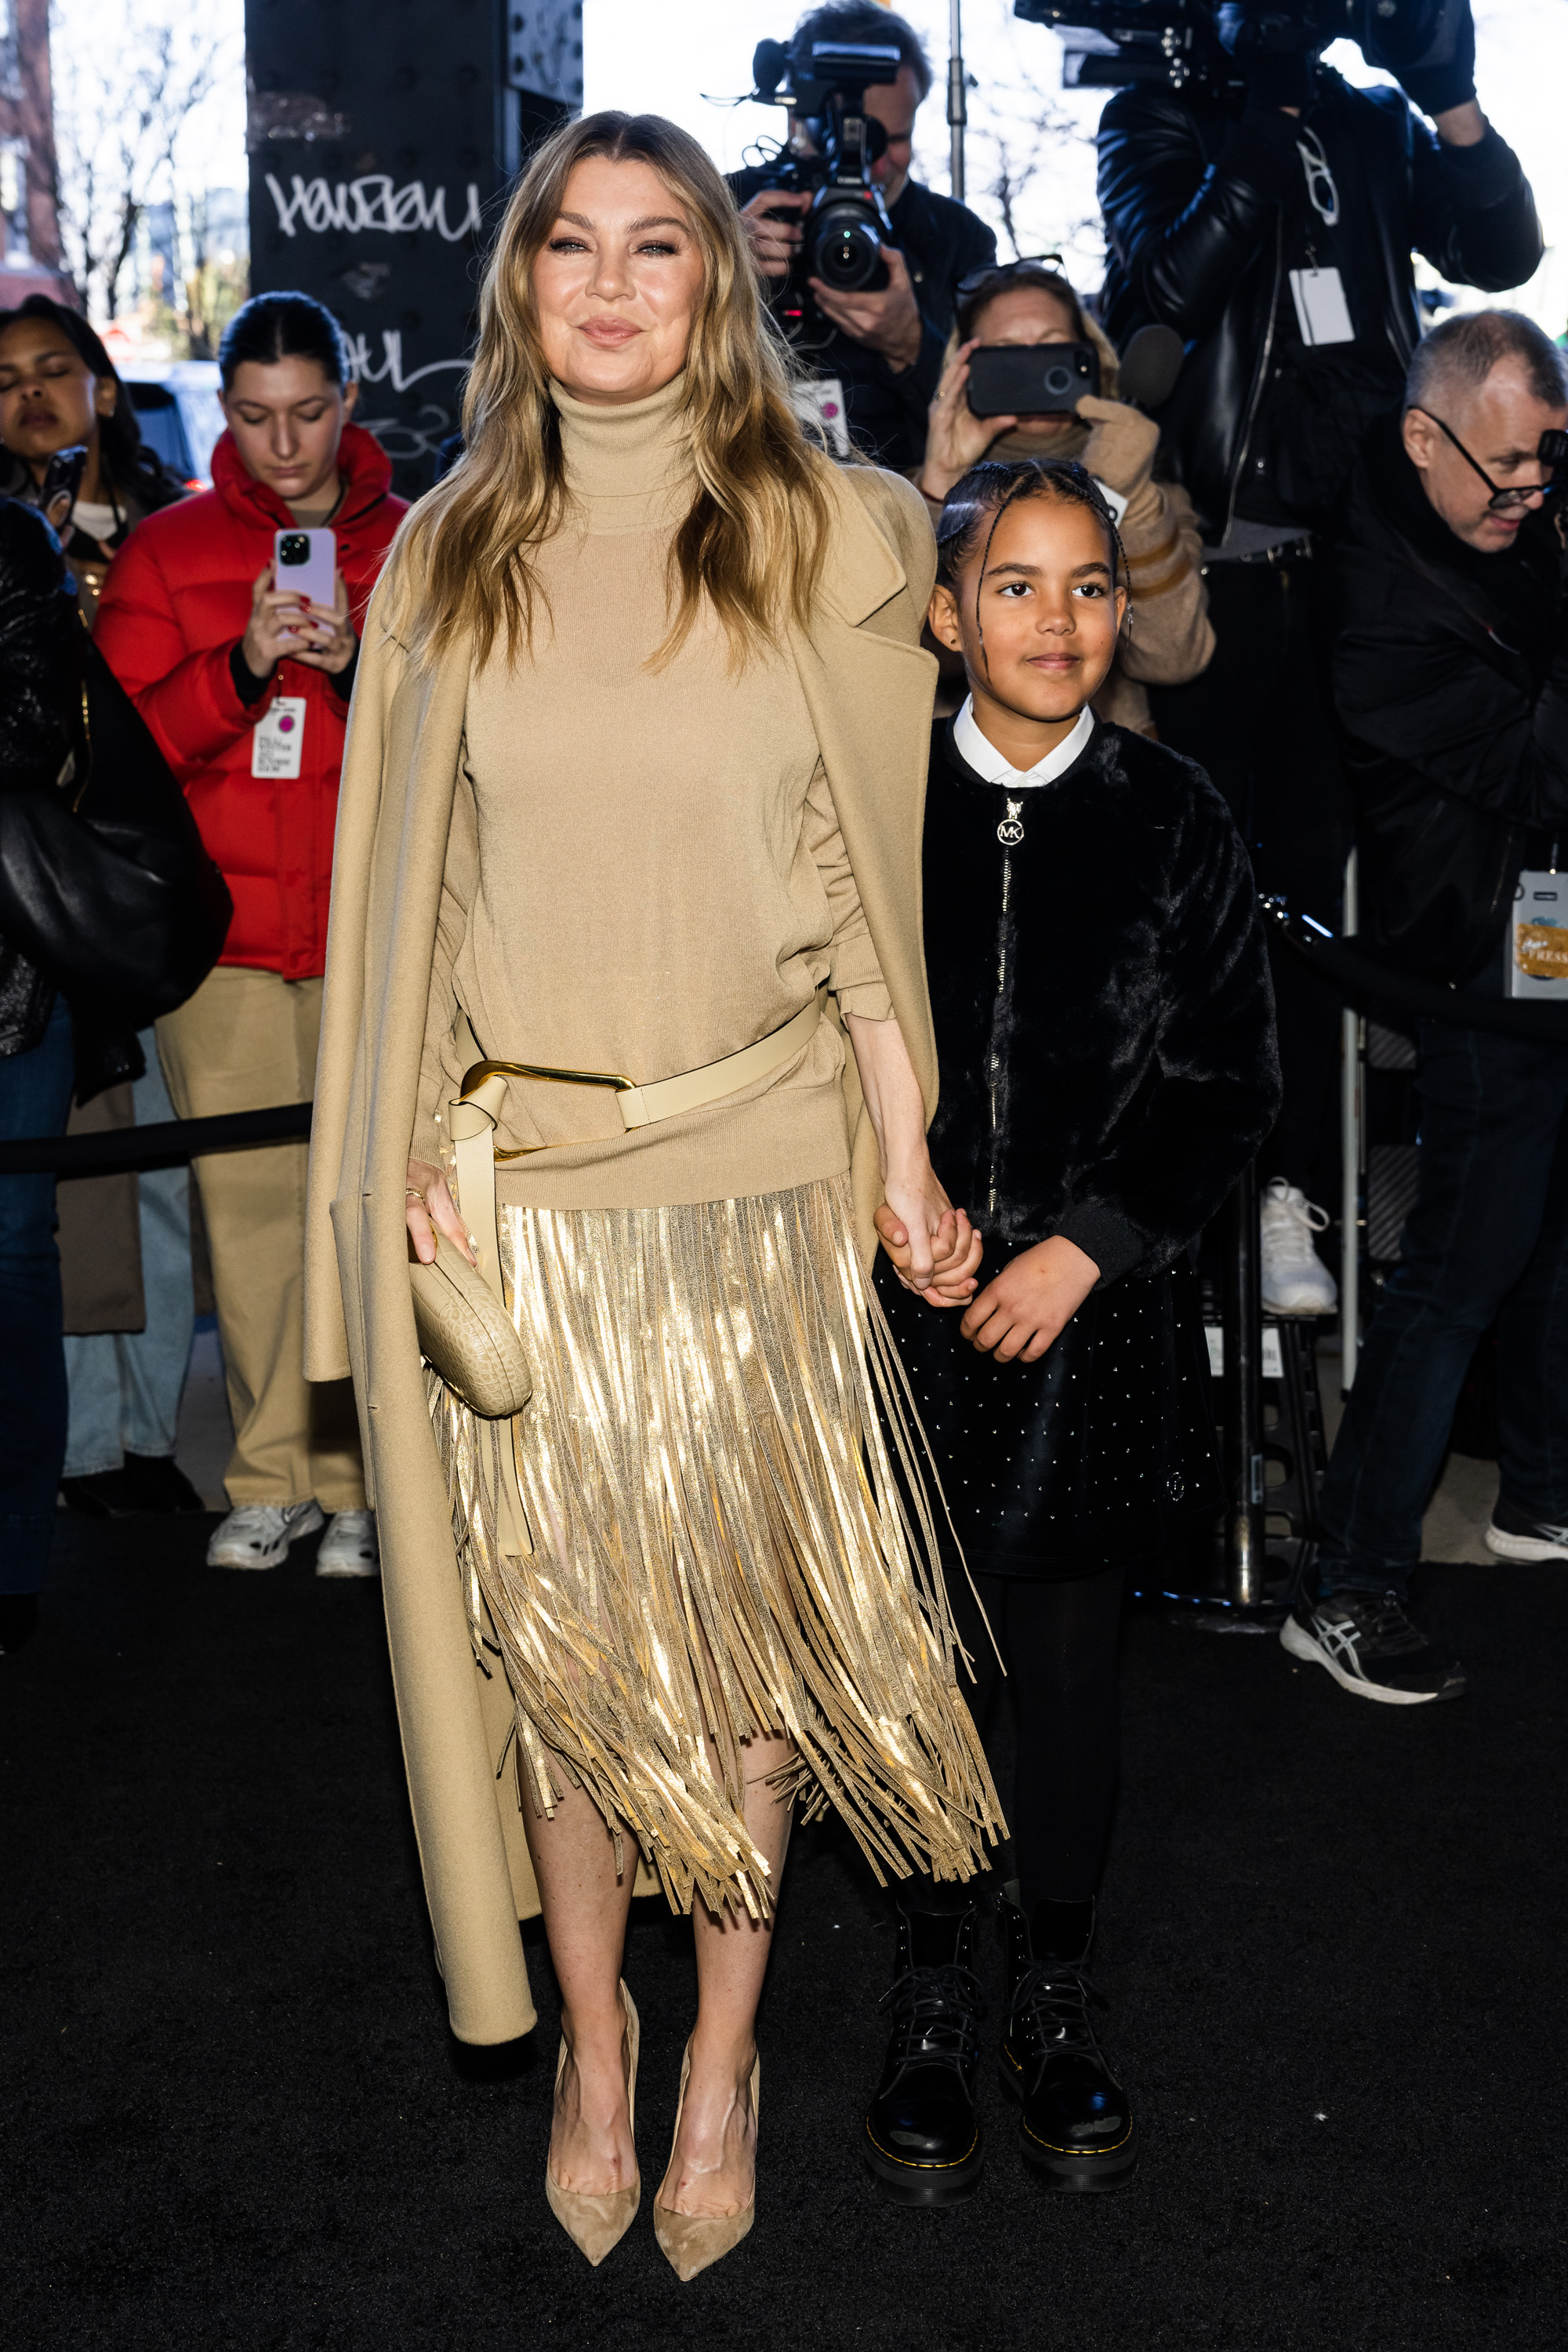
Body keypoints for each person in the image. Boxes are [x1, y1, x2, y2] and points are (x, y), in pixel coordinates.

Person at [303, 111, 1001, 2279]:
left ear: (720, 283)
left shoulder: (824, 531)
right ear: (520, 286)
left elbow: (857, 891)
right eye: (571, 250)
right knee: (571, 1679)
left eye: (660, 249)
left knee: (746, 1683)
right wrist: (413, 1157)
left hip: (764, 1185)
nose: (610, 288)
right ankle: (595, 2046)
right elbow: (407, 909)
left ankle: (722, 2063)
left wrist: (905, 1155)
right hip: (529, 1207)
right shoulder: (447, 551)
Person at [858, 456, 1278, 2202]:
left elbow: (1225, 1086)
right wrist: (887, 1210)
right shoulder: (879, 805)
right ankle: (930, 1985)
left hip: (1087, 1323)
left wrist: (1088, 1249)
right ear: (947, 615)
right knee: (912, 1663)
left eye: (1089, 586)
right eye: (1014, 587)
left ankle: (1053, 1977)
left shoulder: (1176, 816)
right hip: (893, 1297)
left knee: (1072, 1664)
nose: (1055, 620)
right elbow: (819, 1031)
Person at [1098, 0, 1542, 1315]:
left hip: (1356, 568)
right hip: (1222, 578)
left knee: (1319, 894)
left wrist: (1446, 92)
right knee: (1210, 902)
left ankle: (1294, 1190)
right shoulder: (1158, 117)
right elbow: (1162, 296)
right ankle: (1199, 1200)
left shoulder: (1370, 120)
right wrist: (1259, 117)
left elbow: (1505, 250)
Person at [95, 292, 406, 1578]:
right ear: (225, 410)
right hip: (225, 939)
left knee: (370, 1215)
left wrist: (352, 666)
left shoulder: (425, 541)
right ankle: (275, 1476)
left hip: (378, 929)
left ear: (350, 400)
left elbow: (472, 729)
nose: (286, 445)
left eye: (310, 413)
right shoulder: (169, 552)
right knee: (254, 1220)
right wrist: (237, 672)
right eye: (258, 417)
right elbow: (118, 753)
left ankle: (368, 1484)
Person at [1283, 309, 1568, 1707]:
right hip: (1469, 964)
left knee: (1552, 1235)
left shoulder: (1521, 536)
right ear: (1422, 435)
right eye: (1505, 469)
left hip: (1547, 950)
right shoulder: (1377, 596)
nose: (1528, 494)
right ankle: (1349, 1583)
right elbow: (1538, 773)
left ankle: (1540, 1495)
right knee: (1456, 1269)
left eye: (1548, 465)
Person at [0, 297, 205, 1523]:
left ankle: (146, 1431)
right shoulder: (14, 542)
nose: (30, 393)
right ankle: (76, 1446)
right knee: (54, 1208)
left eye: (52, 370)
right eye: (7, 377)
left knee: (157, 1177)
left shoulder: (174, 523)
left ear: (103, 385)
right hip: (35, 897)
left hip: (133, 885)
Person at [915, 255, 1213, 732]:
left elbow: (1175, 659)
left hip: (1110, 782)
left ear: (1089, 355)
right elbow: (923, 660)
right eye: (1009, 354)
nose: (1035, 368)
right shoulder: (911, 495)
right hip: (955, 784)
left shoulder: (1146, 491)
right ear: (965, 371)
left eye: (1052, 348)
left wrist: (1120, 500)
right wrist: (936, 493)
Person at [731, 2, 995, 470]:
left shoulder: (959, 238)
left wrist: (912, 345)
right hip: (749, 490)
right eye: (848, 139)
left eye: (893, 139)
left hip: (910, 503)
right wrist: (718, 270)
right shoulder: (726, 209)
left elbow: (996, 412)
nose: (873, 164)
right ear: (797, 119)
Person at [0, 495, 93, 1653]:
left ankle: (13, 1558)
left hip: (11, 973)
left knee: (12, 1251)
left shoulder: (10, 541)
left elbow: (35, 732)